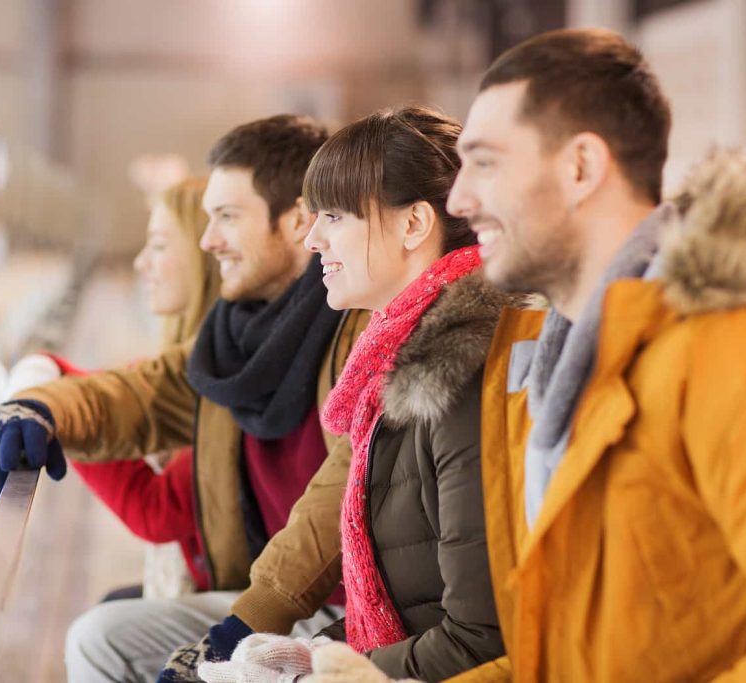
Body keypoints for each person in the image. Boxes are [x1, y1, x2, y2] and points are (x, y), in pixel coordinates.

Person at [441, 27, 746, 682]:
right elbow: (570, 652)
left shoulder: (730, 344)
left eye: (484, 162)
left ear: (580, 168)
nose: (458, 200)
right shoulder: (564, 367)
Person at [0, 115, 369, 682]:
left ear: (296, 222)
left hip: (344, 612)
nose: (209, 240)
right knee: (99, 637)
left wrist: (239, 630)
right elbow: (138, 394)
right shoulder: (234, 335)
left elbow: (340, 499)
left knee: (115, 631)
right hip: (261, 597)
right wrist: (42, 405)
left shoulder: (353, 330)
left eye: (227, 217)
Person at [197, 105, 514, 683]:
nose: (313, 238)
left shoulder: (459, 377)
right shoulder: (394, 359)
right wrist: (310, 654)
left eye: (335, 216)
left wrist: (324, 672)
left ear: (414, 225)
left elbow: (480, 640)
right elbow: (412, 607)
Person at [64, 176, 221, 598]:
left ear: (204, 254)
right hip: (197, 577)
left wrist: (62, 402)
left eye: (158, 245)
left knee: (100, 631)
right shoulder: (182, 354)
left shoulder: (225, 369)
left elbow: (159, 511)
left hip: (224, 595)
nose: (140, 263)